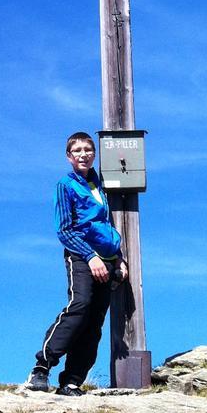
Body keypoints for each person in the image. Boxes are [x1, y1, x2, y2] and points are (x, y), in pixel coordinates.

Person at [27, 131, 128, 395]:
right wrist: (91, 256)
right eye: (77, 150)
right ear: (69, 156)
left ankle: (71, 381)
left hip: (106, 259)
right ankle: (41, 368)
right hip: (81, 256)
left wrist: (117, 258)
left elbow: (105, 225)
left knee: (94, 322)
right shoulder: (66, 185)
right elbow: (64, 230)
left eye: (87, 149)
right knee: (79, 306)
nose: (83, 154)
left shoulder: (100, 185)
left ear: (94, 154)